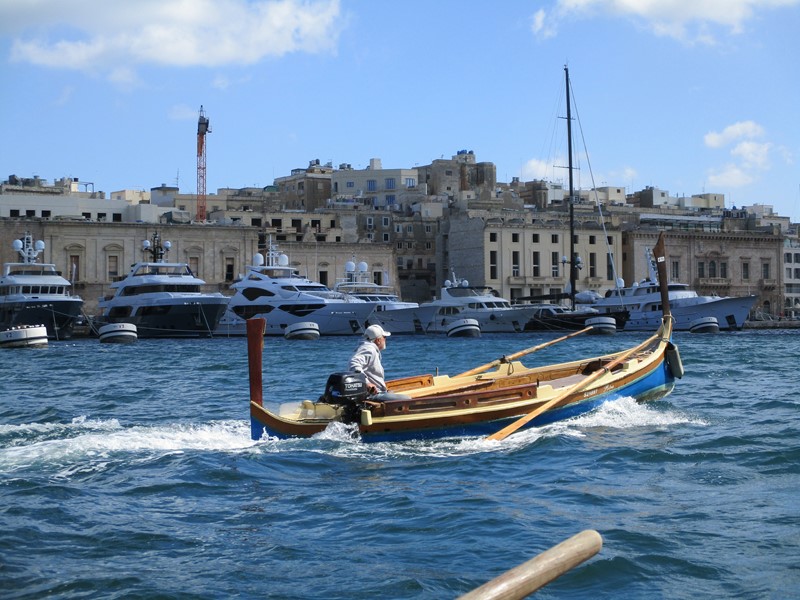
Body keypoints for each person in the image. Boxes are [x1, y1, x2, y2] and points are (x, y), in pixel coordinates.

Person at [348, 324, 408, 400]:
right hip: (372, 395)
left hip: (377, 392)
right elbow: (353, 362)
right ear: (378, 340)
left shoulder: (367, 347)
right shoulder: (369, 349)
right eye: (384, 337)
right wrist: (366, 383)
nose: (385, 339)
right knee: (407, 399)